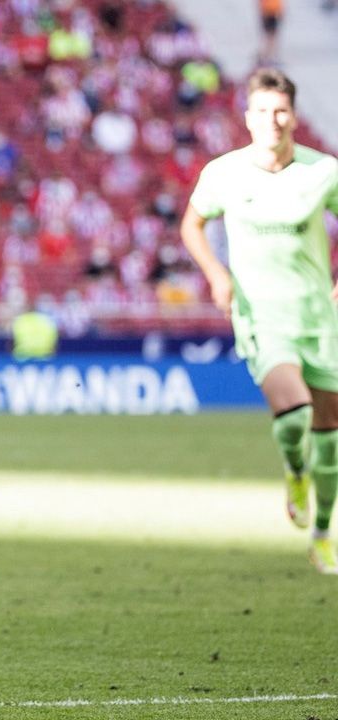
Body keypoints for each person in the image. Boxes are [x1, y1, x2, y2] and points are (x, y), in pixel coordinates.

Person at [181, 68, 338, 575]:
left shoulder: (322, 172)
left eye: (281, 110)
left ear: (294, 114)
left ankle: (322, 531)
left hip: (318, 317)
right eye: (263, 111)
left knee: (330, 433)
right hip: (261, 318)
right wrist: (216, 275)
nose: (273, 120)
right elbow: (193, 224)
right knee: (294, 416)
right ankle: (296, 473)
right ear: (248, 118)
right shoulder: (224, 172)